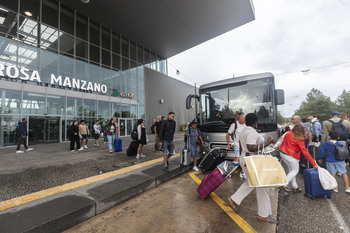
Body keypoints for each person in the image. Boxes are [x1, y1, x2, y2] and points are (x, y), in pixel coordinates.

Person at [225, 113, 276, 224]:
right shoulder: (251, 132)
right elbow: (251, 147)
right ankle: (263, 215)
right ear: (256, 121)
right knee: (261, 186)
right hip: (252, 160)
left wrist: (240, 157)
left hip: (246, 159)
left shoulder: (243, 130)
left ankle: (233, 199)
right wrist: (268, 143)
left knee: (250, 183)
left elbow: (240, 143)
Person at [278, 124, 318, 193]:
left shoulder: (288, 134)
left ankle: (295, 186)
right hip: (290, 155)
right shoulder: (300, 138)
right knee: (295, 170)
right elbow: (305, 152)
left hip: (282, 152)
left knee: (291, 170)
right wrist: (313, 163)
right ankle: (284, 184)